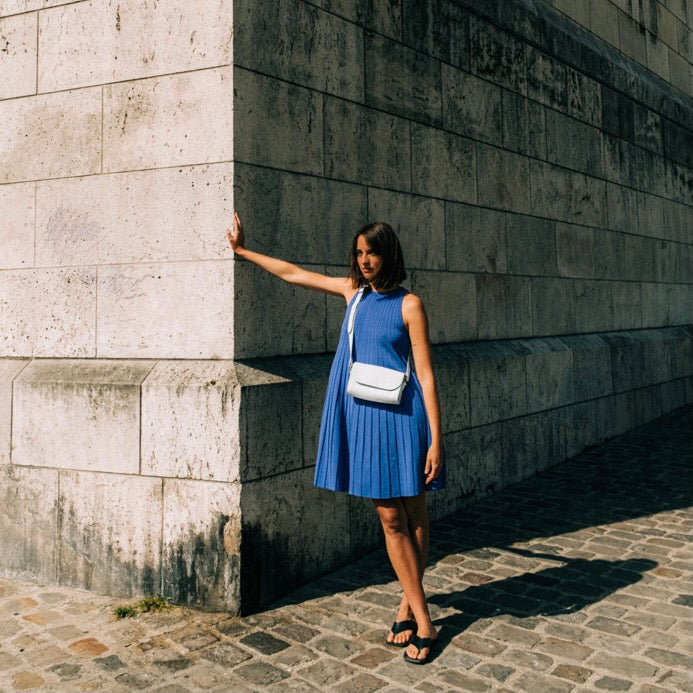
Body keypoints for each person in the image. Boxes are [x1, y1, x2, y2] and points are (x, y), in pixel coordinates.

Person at [226, 213, 446, 664]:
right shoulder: (353, 294)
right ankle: (424, 617)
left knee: (415, 512)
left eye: (372, 252)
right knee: (389, 517)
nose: (365, 261)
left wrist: (437, 439)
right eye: (359, 253)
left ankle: (410, 608)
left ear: (389, 254)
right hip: (364, 415)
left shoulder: (410, 305)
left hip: (404, 417)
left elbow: (425, 372)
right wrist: (244, 252)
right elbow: (294, 274)